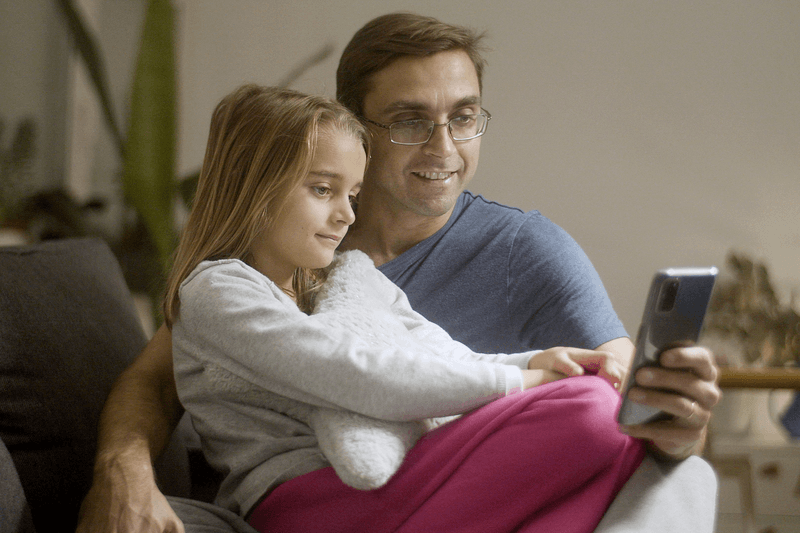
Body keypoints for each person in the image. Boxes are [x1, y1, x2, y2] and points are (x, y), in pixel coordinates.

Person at [76, 12, 721, 533]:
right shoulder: (275, 261)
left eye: (464, 118)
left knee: (677, 468)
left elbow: (622, 386)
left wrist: (677, 415)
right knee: (588, 413)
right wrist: (123, 468)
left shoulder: (526, 249)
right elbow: (158, 380)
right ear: (354, 127)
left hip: (452, 485)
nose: (444, 148)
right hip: (338, 495)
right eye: (411, 120)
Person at [164, 83, 642, 533]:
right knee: (591, 411)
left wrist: (534, 361)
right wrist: (529, 383)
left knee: (621, 441)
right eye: (323, 190)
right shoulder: (218, 291)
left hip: (395, 481)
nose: (347, 215)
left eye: (352, 195)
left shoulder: (350, 279)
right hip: (303, 502)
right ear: (254, 188)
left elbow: (441, 355)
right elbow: (353, 374)